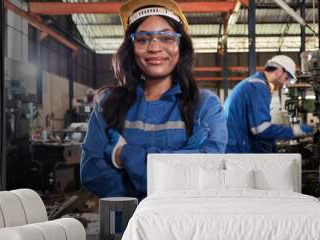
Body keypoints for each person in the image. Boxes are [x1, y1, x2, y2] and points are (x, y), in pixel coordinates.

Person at [80, 0, 227, 200]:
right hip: (128, 225)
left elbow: (208, 171)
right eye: (142, 39)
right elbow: (91, 173)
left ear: (180, 46)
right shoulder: (109, 103)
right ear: (131, 48)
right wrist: (153, 189)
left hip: (186, 223)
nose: (155, 47)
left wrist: (126, 155)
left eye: (166, 38)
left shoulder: (205, 105)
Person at [224, 55, 312, 153]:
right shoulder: (258, 87)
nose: (285, 84)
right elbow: (260, 129)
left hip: (235, 144)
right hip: (236, 148)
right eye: (286, 78)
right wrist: (294, 131)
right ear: (278, 71)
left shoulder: (254, 84)